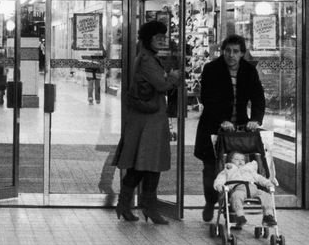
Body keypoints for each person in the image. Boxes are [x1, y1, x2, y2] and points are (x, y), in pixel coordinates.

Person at [112, 21, 180, 225]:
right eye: (158, 37)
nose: (162, 40)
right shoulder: (147, 60)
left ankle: (125, 205)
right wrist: (174, 78)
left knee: (142, 164)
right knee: (149, 164)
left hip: (146, 119)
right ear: (148, 38)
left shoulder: (145, 57)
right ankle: (148, 208)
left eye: (163, 37)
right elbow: (161, 84)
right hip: (149, 121)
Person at [195, 34, 266, 223]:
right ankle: (210, 202)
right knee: (211, 168)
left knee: (236, 168)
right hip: (213, 127)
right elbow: (207, 98)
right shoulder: (211, 69)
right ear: (222, 51)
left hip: (239, 130)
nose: (231, 55)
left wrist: (255, 119)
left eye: (236, 52)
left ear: (242, 53)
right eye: (227, 51)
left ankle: (233, 206)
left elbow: (258, 97)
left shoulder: (249, 71)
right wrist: (222, 120)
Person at [213, 150, 277, 228]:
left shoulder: (249, 169)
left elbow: (259, 178)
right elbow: (220, 178)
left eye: (242, 160)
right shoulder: (228, 170)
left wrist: (268, 184)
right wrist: (219, 185)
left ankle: (268, 216)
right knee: (236, 197)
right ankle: (240, 216)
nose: (240, 161)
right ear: (230, 161)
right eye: (236, 159)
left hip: (253, 188)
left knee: (266, 196)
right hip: (239, 189)